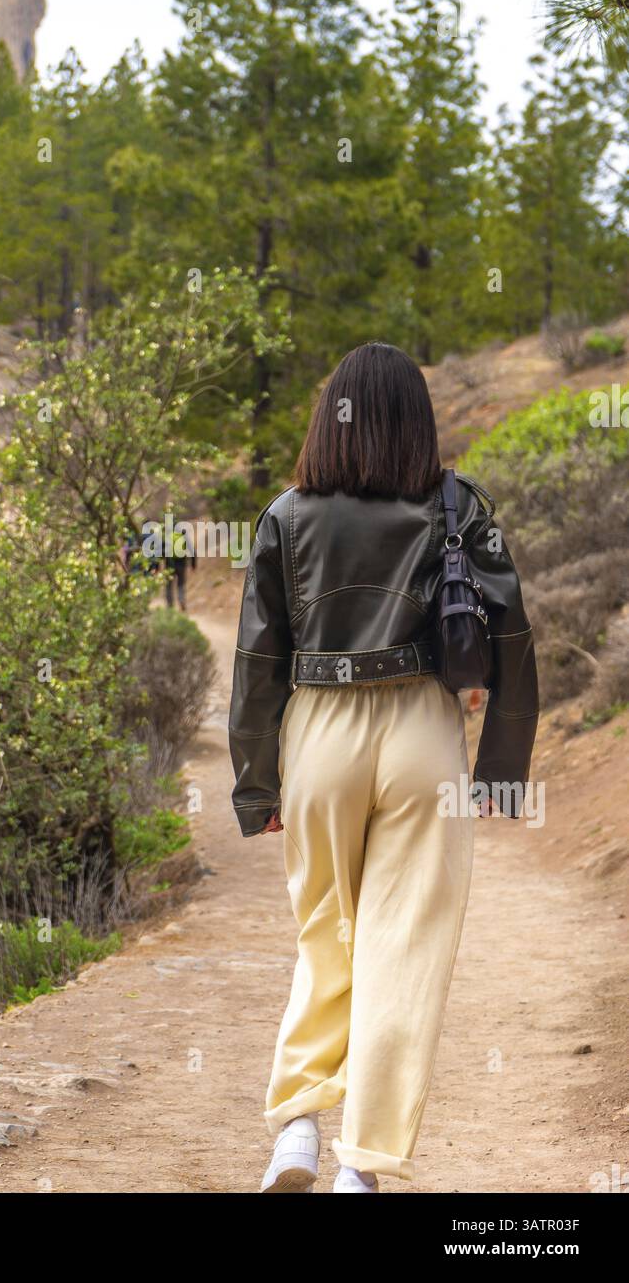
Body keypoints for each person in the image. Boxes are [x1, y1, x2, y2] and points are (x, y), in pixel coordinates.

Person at [228, 341, 538, 1194]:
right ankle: (361, 1170)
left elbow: (258, 658)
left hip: (318, 732)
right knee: (406, 946)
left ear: (332, 414)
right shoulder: (457, 504)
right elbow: (511, 631)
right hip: (421, 733)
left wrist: (257, 785)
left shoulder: (286, 515)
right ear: (418, 420)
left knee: (325, 930)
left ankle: (295, 1128)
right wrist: (503, 768)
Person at [164, 524, 196, 611]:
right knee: (181, 584)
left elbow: (161, 551)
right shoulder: (183, 535)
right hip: (181, 564)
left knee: (169, 585)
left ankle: (170, 605)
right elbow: (192, 550)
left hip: (169, 565)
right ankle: (181, 601)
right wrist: (193, 564)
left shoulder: (167, 536)